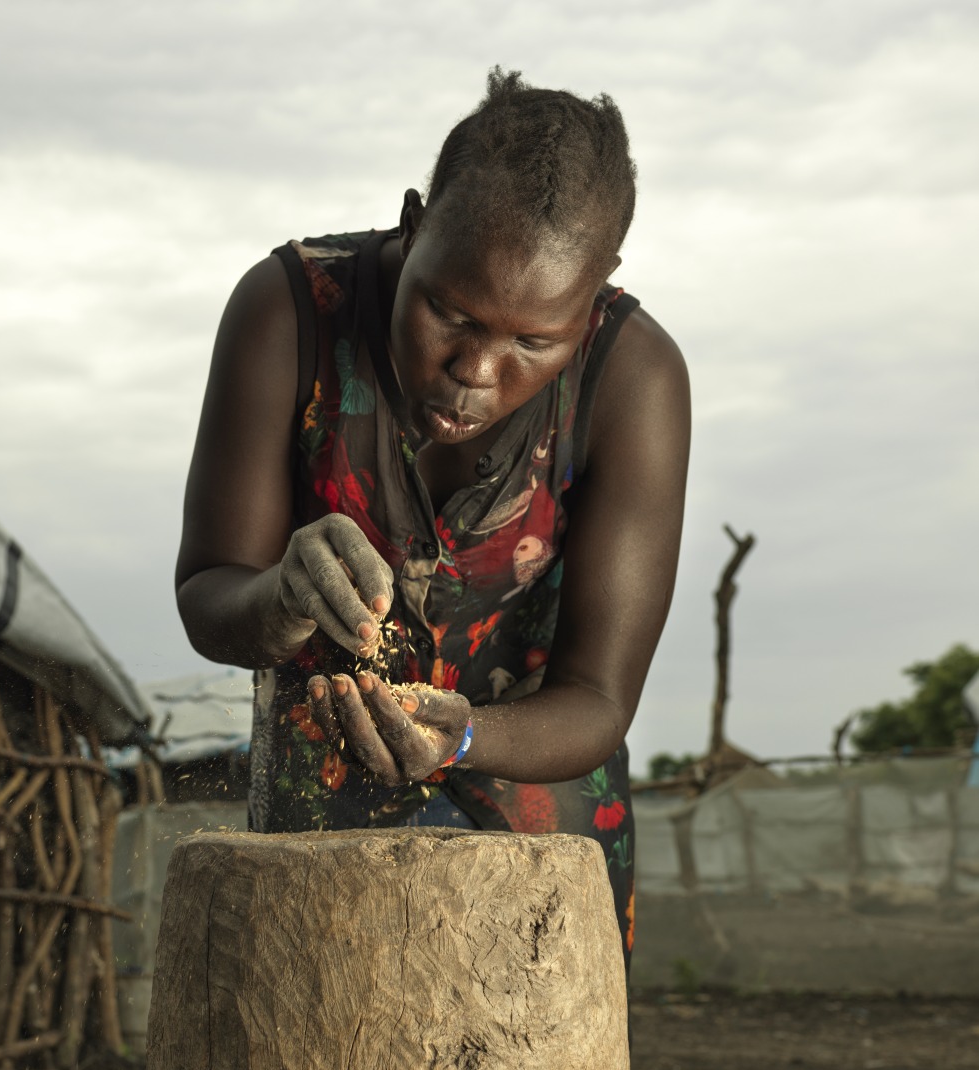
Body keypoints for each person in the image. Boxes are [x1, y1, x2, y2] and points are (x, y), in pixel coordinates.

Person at [174, 68, 690, 968]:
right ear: (412, 226)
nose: (477, 371)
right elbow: (209, 595)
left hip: (542, 814)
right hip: (322, 794)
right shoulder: (289, 314)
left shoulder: (633, 381)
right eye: (448, 312)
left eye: (535, 342)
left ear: (597, 293)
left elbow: (599, 699)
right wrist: (283, 599)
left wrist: (467, 734)